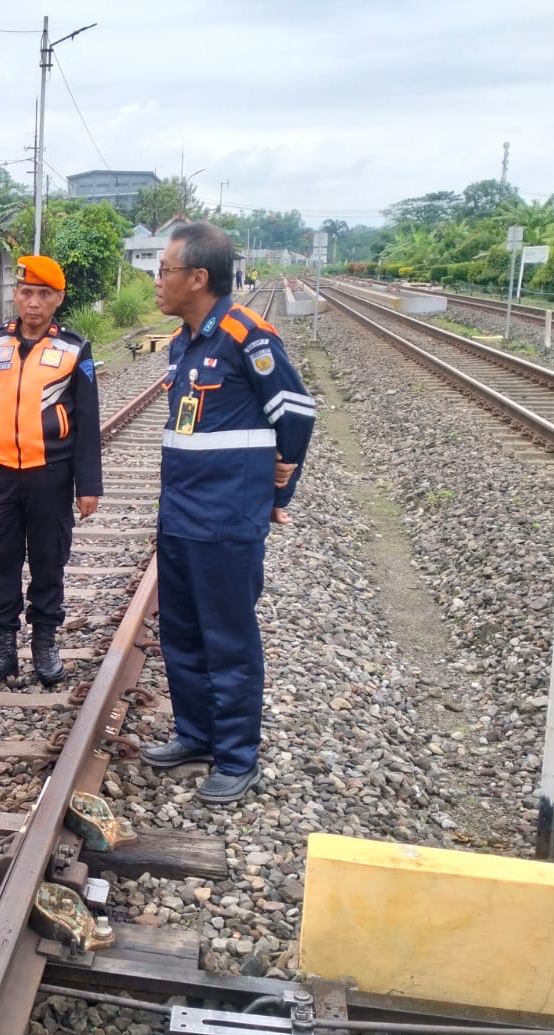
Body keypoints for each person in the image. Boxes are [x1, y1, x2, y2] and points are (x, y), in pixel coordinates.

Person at [142, 221, 314, 803]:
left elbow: (296, 413)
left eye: (164, 270)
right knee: (182, 634)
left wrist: (278, 492)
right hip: (180, 516)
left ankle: (238, 756)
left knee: (229, 640)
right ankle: (195, 735)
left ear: (198, 277)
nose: (157, 281)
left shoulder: (247, 337)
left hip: (225, 520)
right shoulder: (183, 342)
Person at [0, 254, 102, 689]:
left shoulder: (73, 349)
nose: (33, 302)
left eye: (43, 294)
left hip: (51, 477)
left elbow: (87, 420)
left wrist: (88, 485)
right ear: (16, 295)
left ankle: (44, 643)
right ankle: (3, 650)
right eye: (26, 292)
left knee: (47, 560)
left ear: (58, 299)